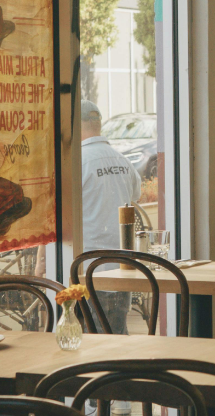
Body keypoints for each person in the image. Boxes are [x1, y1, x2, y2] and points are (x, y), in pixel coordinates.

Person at [80, 100, 141, 336]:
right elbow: (134, 196)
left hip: (89, 266)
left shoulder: (78, 163)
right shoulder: (122, 161)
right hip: (121, 263)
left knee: (92, 337)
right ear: (99, 125)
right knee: (117, 333)